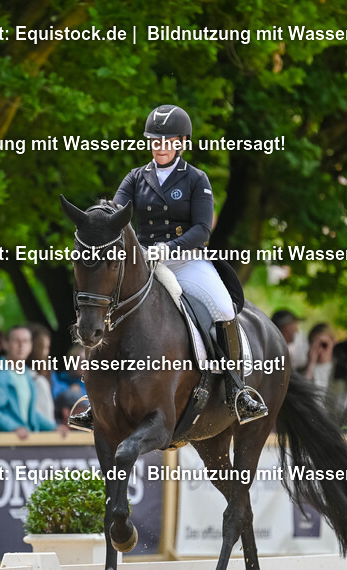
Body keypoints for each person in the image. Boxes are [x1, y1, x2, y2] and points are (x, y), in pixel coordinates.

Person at [68, 104, 268, 432]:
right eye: (154, 140)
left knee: (222, 306)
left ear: (182, 142)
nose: (159, 146)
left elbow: (202, 229)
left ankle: (237, 389)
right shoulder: (136, 177)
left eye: (167, 140)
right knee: (109, 304)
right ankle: (97, 400)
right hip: (145, 261)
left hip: (186, 260)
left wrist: (170, 247)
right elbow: (116, 216)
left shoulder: (196, 179)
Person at [0, 326, 59, 437]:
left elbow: (29, 413)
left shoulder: (28, 376)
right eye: (16, 341)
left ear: (31, 346)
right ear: (5, 344)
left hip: (24, 440)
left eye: (25, 341)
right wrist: (14, 427)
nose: (21, 345)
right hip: (3, 441)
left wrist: (53, 427)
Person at [301, 322, 335, 404]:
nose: (319, 350)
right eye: (315, 345)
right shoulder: (301, 371)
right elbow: (301, 397)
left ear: (334, 343)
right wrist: (310, 366)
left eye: (324, 345)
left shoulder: (340, 370)